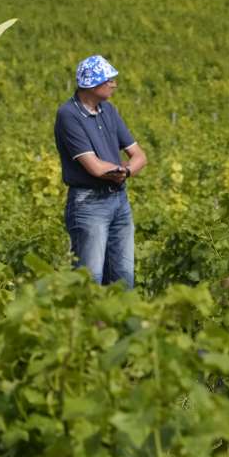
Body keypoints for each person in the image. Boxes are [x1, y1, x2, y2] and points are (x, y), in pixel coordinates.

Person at [53, 55, 147, 288]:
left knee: (124, 278)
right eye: (109, 80)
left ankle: (119, 323)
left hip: (119, 200)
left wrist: (123, 172)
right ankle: (86, 324)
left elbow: (140, 156)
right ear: (92, 84)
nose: (114, 84)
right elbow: (94, 167)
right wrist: (122, 169)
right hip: (89, 204)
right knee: (90, 279)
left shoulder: (109, 111)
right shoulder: (69, 115)